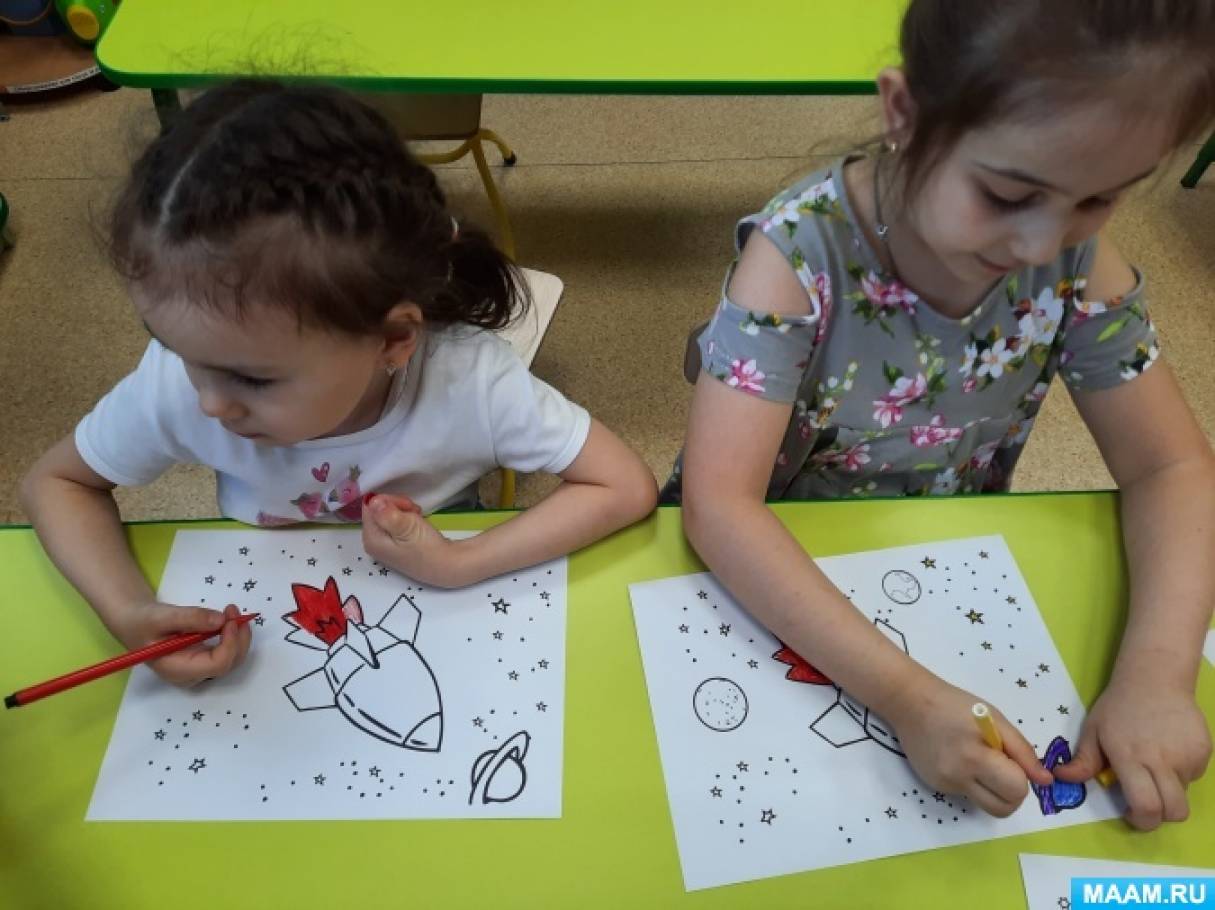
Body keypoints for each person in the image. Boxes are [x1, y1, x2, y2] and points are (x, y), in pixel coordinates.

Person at [670, 0, 1215, 830]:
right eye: (1006, 194)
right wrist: (903, 695)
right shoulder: (795, 257)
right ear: (904, 113)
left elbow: (1170, 467)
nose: (1040, 245)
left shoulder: (1076, 259)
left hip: (938, 560)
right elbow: (719, 507)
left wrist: (1157, 673)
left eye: (1098, 199)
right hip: (762, 576)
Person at [20, 81, 657, 687]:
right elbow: (58, 484)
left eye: (250, 377)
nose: (209, 402)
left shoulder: (469, 380)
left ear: (392, 340)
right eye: (170, 344)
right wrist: (127, 609)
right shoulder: (178, 384)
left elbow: (623, 485)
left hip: (436, 605)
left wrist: (459, 562)